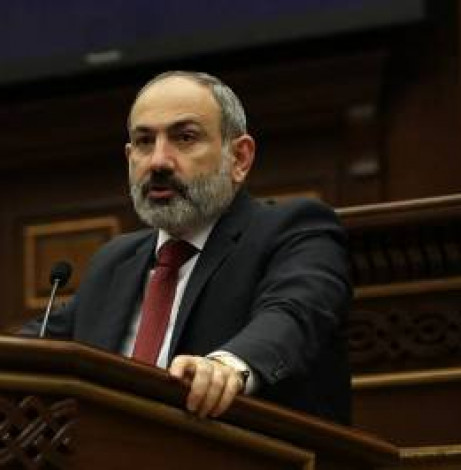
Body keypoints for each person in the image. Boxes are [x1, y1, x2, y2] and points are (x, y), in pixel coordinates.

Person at [22, 71, 352, 424]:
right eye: (145, 142)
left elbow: (294, 315)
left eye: (185, 138)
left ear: (239, 158)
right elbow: (33, 349)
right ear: (130, 157)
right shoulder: (113, 261)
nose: (158, 161)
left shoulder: (293, 229)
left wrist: (228, 366)